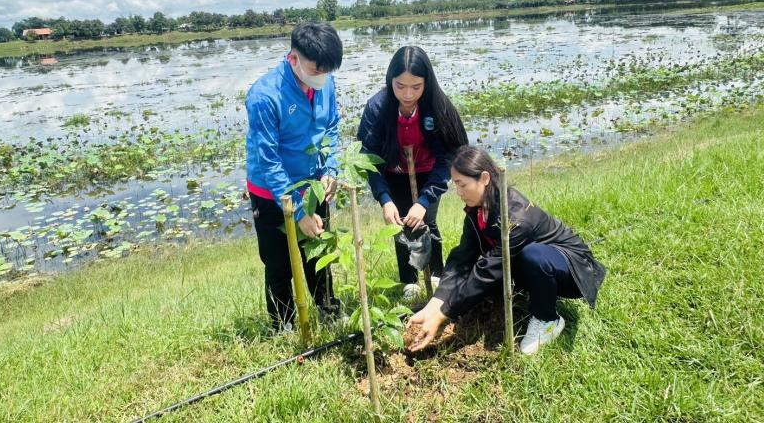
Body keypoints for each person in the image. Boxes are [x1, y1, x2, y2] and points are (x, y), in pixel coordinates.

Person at [408, 145, 606, 355]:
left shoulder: (516, 217)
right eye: (455, 185)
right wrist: (436, 303)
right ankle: (533, 293)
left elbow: (488, 270)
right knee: (491, 267)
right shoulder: (478, 210)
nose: (459, 193)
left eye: (462, 184)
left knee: (533, 256)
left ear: (484, 178)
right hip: (535, 267)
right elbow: (462, 258)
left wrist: (443, 314)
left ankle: (547, 319)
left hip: (571, 269)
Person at [245, 21, 343, 331]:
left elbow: (331, 127)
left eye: (327, 71)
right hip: (271, 191)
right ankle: (283, 326)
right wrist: (298, 211)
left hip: (314, 184)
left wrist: (330, 168)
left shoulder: (325, 82)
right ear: (293, 59)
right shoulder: (264, 96)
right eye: (316, 70)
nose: (322, 77)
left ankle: (329, 311)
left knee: (319, 252)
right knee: (279, 263)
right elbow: (269, 159)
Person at [357, 46, 468, 299]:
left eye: (416, 87)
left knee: (426, 220)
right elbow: (369, 159)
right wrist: (384, 199)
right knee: (401, 225)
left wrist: (424, 200)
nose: (408, 94)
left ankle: (436, 274)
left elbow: (448, 156)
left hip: (429, 172)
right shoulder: (377, 108)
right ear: (390, 81)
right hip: (393, 172)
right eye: (400, 86)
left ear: (427, 83)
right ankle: (409, 281)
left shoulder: (437, 107)